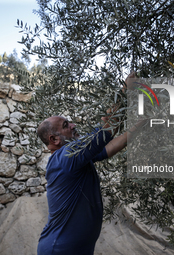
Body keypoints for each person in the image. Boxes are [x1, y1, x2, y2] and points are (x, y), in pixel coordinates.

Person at [36, 73, 141, 255]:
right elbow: (105, 130)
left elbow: (107, 147)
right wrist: (125, 90)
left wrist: (139, 126)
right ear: (54, 139)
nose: (73, 125)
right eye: (66, 125)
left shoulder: (75, 159)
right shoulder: (65, 156)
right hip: (59, 250)